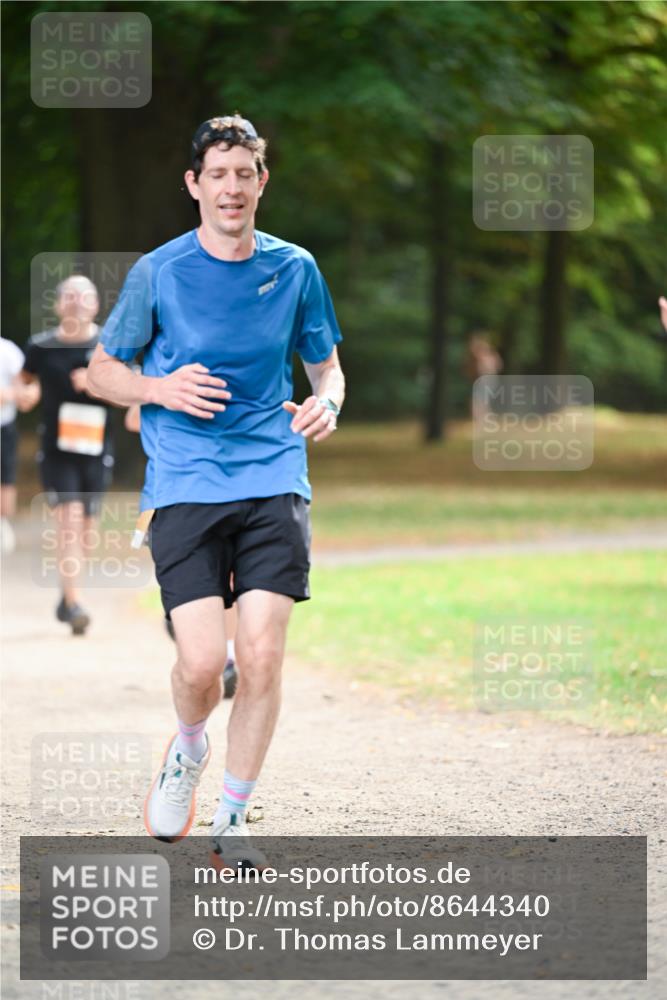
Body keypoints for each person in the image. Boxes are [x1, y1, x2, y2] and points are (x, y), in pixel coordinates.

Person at [87, 115, 345, 865]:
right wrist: (159, 388)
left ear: (261, 182)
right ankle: (188, 748)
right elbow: (105, 371)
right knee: (202, 665)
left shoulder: (294, 268)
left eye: (245, 173)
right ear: (194, 185)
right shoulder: (160, 272)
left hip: (273, 475)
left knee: (260, 654)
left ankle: (232, 823)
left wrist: (326, 402)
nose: (231, 187)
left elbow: (325, 367)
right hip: (186, 482)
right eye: (218, 174)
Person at [125, 402, 238, 698]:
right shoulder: (163, 370)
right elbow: (133, 419)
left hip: (228, 492)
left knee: (231, 576)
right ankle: (188, 628)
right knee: (194, 582)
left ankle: (227, 658)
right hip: (168, 499)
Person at [21, 275, 114, 634]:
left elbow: (130, 393)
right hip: (56, 449)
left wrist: (96, 385)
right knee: (69, 520)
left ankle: (66, 594)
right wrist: (25, 396)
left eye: (85, 297)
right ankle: (75, 604)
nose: (77, 302)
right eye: (70, 297)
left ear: (96, 304)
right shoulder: (41, 346)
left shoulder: (110, 344)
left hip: (96, 449)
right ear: (58, 305)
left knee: (88, 528)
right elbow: (24, 383)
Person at [0, 337, 38, 553]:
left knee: (5, 480)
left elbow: (27, 386)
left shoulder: (7, 350)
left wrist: (26, 394)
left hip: (4, 426)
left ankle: (3, 522)